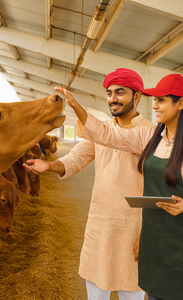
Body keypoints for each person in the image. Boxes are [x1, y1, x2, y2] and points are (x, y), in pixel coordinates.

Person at [24, 68, 152, 300]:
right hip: (100, 223)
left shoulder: (151, 134)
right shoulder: (101, 129)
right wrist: (49, 166)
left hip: (133, 226)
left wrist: (147, 231)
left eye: (120, 92)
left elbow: (158, 186)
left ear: (137, 96)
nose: (112, 98)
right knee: (95, 292)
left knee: (132, 293)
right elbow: (76, 158)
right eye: (109, 93)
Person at [53, 73, 183, 300]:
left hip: (165, 231)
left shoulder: (152, 132)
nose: (155, 106)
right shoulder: (151, 136)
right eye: (155, 100)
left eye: (161, 100)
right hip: (145, 230)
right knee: (152, 291)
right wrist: (76, 107)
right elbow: (106, 135)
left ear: (180, 103)